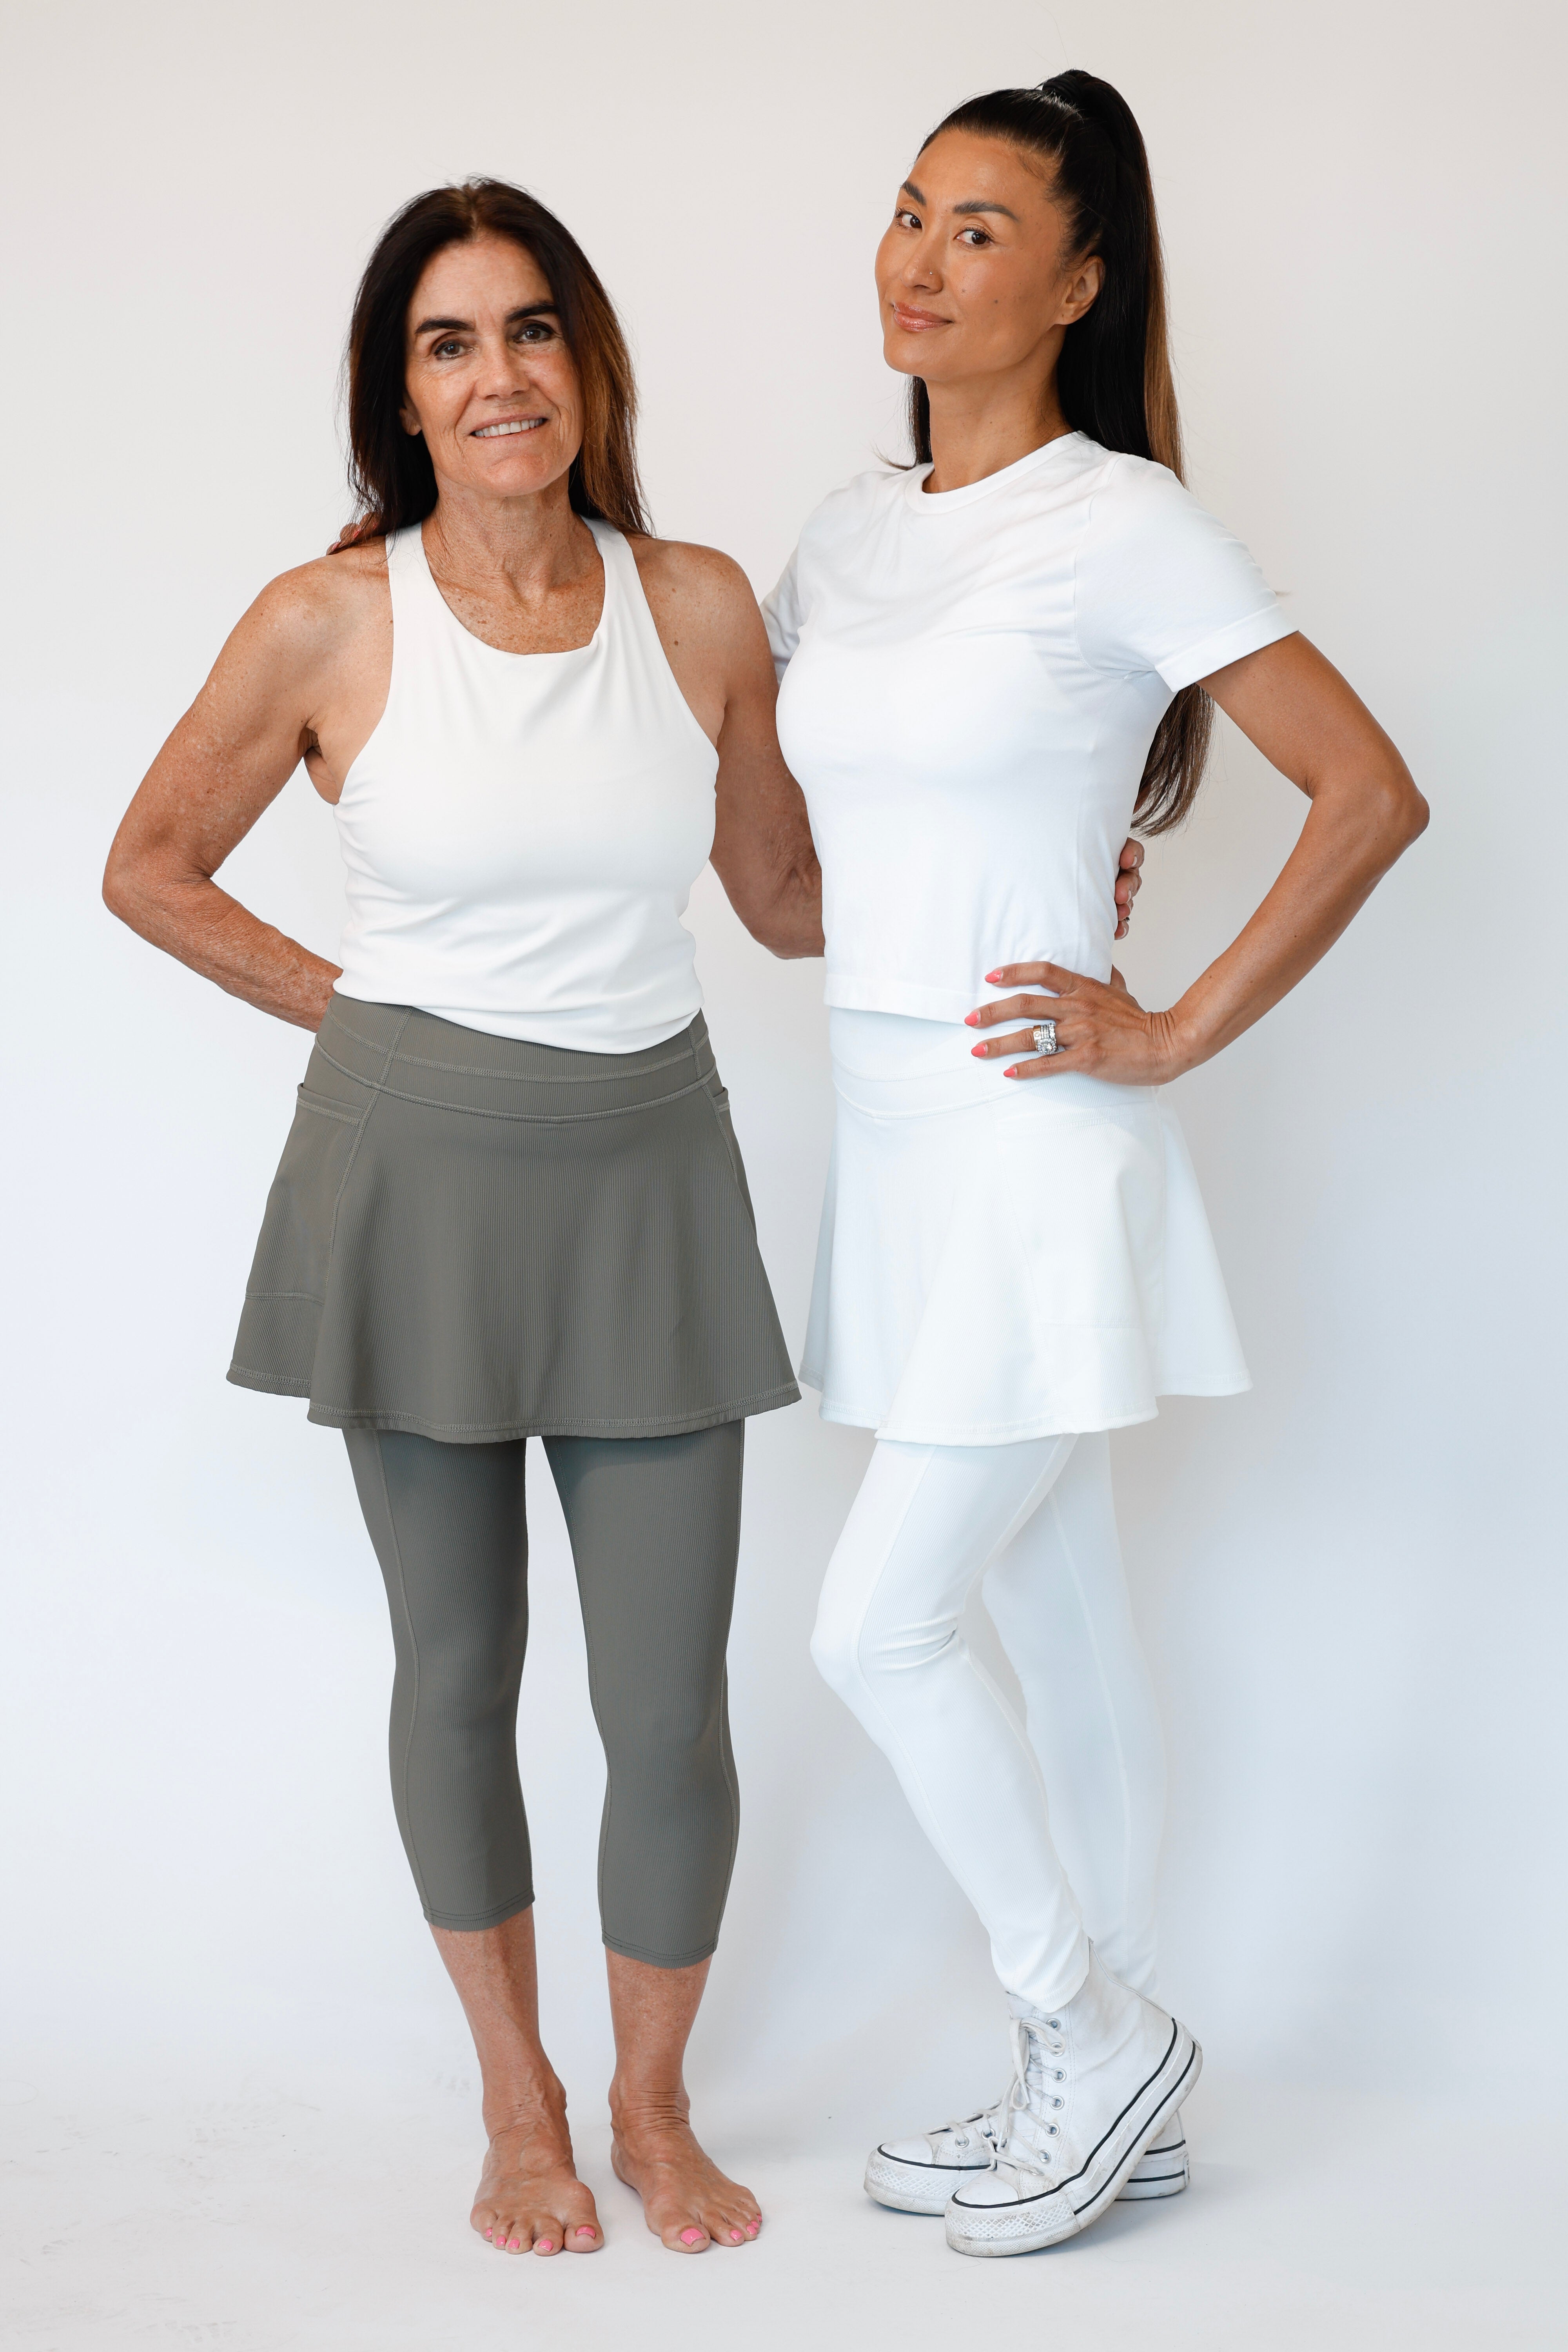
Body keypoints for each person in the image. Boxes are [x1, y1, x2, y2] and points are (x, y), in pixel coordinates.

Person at [101, 179, 827, 2261]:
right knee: (457, 1668)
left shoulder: (693, 605)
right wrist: (372, 1015)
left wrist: (1037, 900)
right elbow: (151, 865)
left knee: (670, 1697)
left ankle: (651, 2104)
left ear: (587, 364)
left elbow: (782, 905)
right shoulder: (330, 620)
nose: (496, 374)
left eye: (528, 331)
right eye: (447, 342)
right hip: (409, 1180)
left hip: (650, 1181)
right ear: (401, 397)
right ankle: (519, 2105)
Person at [765, 71, 1427, 2257]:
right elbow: (795, 874)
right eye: (907, 214)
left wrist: (1169, 1028)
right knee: (1041, 1612)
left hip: (1036, 1142)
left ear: (1076, 280)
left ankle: (1087, 2014)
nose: (921, 262)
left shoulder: (1120, 518)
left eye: (979, 230)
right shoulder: (846, 541)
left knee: (884, 1623)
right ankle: (1102, 2080)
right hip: (889, 1138)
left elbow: (1364, 792)